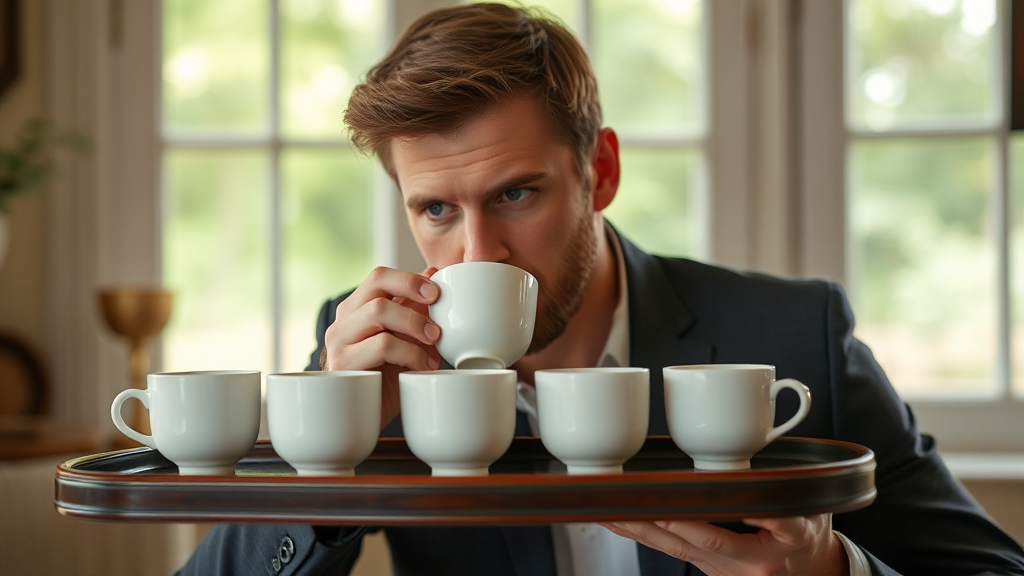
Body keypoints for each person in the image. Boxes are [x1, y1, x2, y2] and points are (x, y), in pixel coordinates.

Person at [177, 4, 1024, 575]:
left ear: (601, 171)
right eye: (435, 210)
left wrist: (831, 571)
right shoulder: (368, 351)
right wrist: (330, 457)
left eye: (516, 193)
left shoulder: (793, 335)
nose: (479, 253)